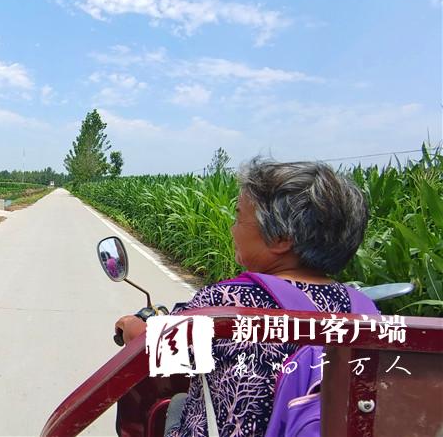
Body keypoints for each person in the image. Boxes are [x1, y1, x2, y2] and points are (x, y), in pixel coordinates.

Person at [114, 159, 372, 437]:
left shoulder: (227, 302)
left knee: (176, 407)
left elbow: (154, 349)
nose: (233, 228)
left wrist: (131, 327)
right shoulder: (364, 310)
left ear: (281, 238)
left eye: (239, 217)